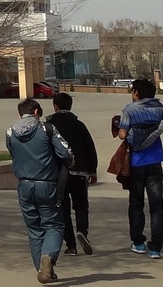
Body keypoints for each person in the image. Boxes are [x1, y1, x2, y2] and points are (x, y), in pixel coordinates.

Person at [7, 98, 75, 283]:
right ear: (36, 112)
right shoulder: (47, 129)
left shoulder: (10, 132)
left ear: (20, 114)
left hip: (24, 185)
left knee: (34, 230)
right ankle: (48, 259)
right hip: (47, 185)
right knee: (54, 225)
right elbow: (66, 153)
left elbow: (13, 153)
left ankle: (42, 269)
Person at [118, 77, 163, 259]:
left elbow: (122, 134)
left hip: (137, 162)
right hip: (155, 161)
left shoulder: (129, 110)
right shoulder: (159, 109)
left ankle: (138, 242)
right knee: (157, 206)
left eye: (132, 91)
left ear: (137, 93)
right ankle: (156, 248)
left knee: (136, 203)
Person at [46, 92, 98, 257]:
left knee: (63, 209)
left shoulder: (49, 126)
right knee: (81, 206)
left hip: (58, 173)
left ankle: (71, 246)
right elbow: (90, 148)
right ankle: (82, 231)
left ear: (55, 107)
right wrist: (92, 170)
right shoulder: (79, 125)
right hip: (79, 171)